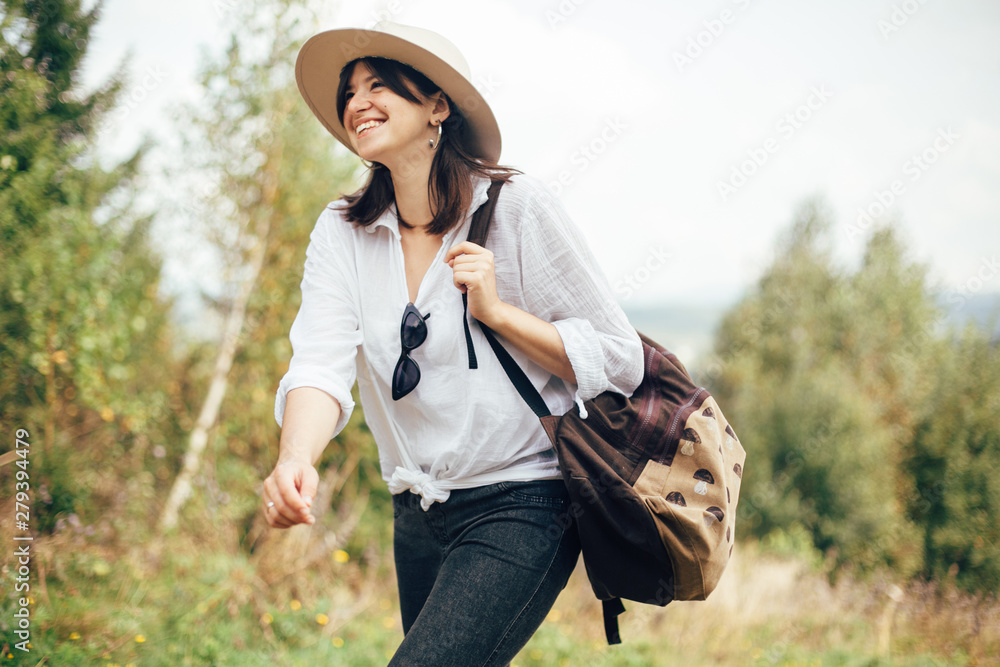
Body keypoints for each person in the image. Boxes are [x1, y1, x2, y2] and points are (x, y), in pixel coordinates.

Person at [262, 21, 643, 666]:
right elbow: (320, 361)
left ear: (437, 105)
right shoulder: (342, 231)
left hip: (523, 499)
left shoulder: (516, 207)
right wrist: (296, 455)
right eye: (348, 92)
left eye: (378, 84)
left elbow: (619, 357)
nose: (357, 102)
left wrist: (497, 313)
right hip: (416, 509)